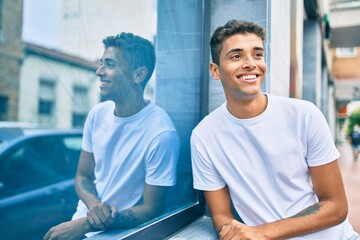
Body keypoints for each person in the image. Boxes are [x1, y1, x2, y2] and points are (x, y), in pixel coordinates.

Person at [191, 20, 359, 240]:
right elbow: (221, 215)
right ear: (215, 70)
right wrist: (231, 233)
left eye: (258, 54)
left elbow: (336, 206)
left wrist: (261, 233)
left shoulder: (304, 115)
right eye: (236, 56)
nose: (251, 63)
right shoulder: (204, 136)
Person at [44, 32, 180, 240]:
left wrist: (90, 224)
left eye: (109, 64)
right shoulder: (97, 114)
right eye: (101, 63)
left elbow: (152, 208)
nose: (99, 71)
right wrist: (95, 208)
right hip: (81, 222)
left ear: (138, 75)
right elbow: (83, 177)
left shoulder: (161, 134)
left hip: (119, 234)